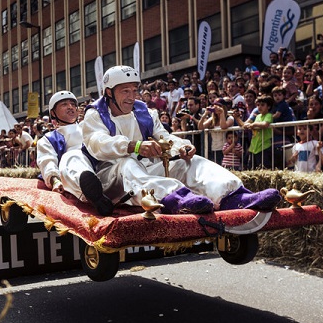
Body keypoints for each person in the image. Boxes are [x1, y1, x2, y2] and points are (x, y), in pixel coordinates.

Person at [81, 65, 280, 214]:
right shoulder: (95, 114)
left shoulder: (145, 111)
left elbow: (165, 137)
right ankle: (177, 200)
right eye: (125, 91)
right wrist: (134, 146)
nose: (132, 97)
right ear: (109, 92)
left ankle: (234, 196)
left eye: (135, 90)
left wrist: (182, 147)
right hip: (111, 177)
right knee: (127, 163)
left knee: (190, 161)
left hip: (143, 171)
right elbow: (98, 143)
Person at [37, 91, 113, 216]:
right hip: (71, 175)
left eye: (73, 104)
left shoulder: (90, 127)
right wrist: (54, 181)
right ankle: (95, 197)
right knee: (72, 156)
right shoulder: (48, 139)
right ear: (53, 113)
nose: (70, 107)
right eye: (64, 104)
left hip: (100, 167)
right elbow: (47, 161)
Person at [237, 95, 275, 170]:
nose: (259, 107)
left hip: (264, 146)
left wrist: (253, 124)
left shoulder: (269, 115)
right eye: (258, 105)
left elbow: (265, 124)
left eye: (262, 105)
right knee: (252, 169)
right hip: (254, 147)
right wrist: (237, 118)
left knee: (264, 169)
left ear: (269, 107)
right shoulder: (257, 116)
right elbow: (244, 125)